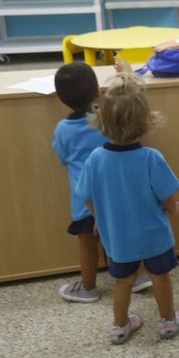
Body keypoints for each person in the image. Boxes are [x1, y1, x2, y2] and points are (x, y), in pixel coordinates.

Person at [79, 72, 179, 344]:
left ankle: (120, 327)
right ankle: (168, 322)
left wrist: (99, 218)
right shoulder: (151, 158)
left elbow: (87, 197)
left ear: (102, 120)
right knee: (160, 277)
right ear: (145, 121)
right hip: (154, 236)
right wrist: (175, 209)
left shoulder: (95, 159)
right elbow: (166, 196)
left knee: (123, 281)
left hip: (118, 238)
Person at [52, 61, 151, 302]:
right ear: (97, 91)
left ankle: (88, 288)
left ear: (60, 98)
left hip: (84, 200)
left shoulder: (63, 129)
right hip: (115, 195)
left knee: (88, 244)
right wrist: (127, 73)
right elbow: (133, 102)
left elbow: (62, 158)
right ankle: (137, 276)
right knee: (122, 236)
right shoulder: (106, 119)